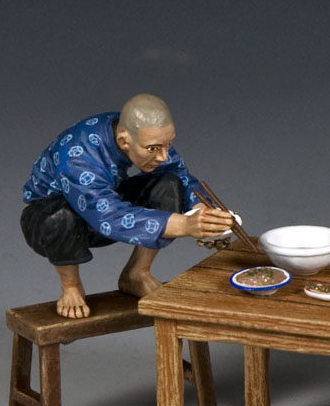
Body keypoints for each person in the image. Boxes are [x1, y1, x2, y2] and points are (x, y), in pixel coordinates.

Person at [20, 93, 234, 318]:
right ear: (124, 141)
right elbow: (108, 216)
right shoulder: (78, 155)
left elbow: (178, 174)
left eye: (168, 144)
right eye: (153, 149)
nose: (163, 156)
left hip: (104, 203)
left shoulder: (144, 134)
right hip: (49, 222)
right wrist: (185, 225)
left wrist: (200, 208)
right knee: (61, 216)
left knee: (168, 184)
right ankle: (71, 287)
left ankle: (137, 272)